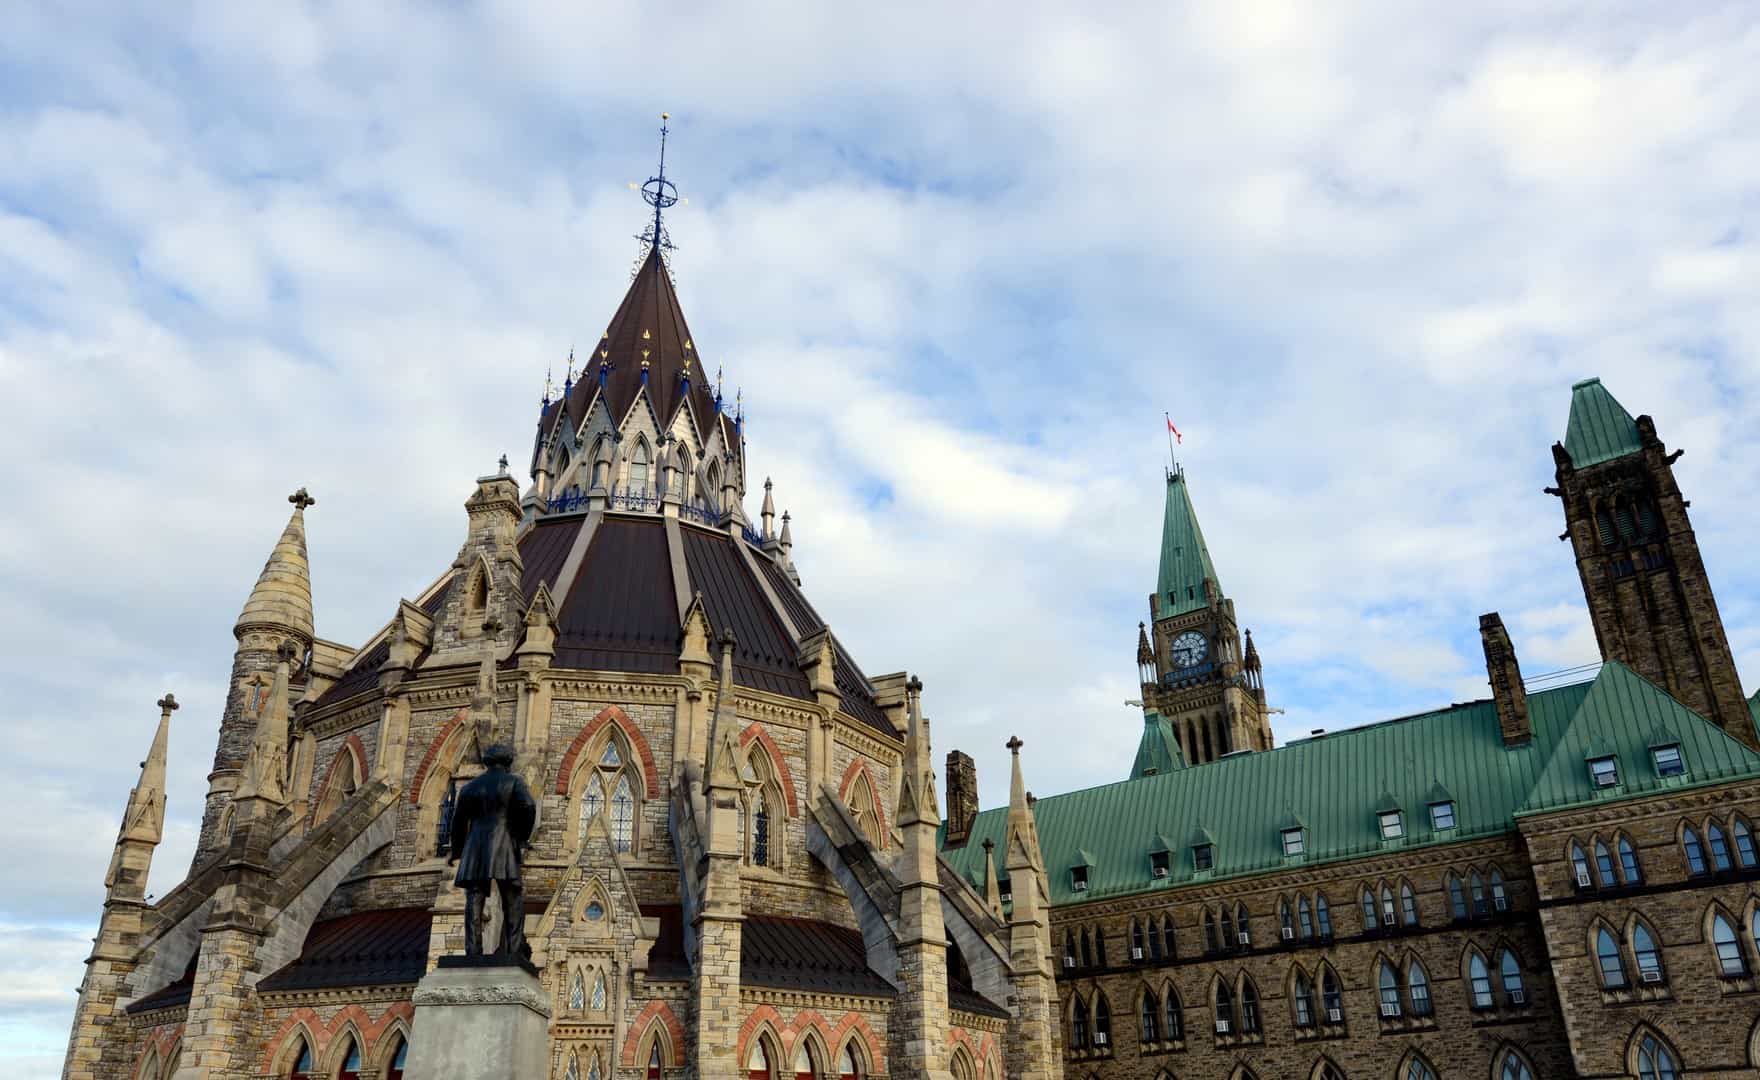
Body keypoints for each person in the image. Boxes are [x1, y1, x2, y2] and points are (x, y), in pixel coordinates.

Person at [447, 743, 537, 959]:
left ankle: (473, 951)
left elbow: (457, 821)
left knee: (474, 898)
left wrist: (457, 850)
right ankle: (514, 951)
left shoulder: (470, 787)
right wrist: (521, 836)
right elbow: (528, 806)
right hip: (504, 842)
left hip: (475, 846)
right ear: (507, 763)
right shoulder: (513, 782)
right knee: (512, 896)